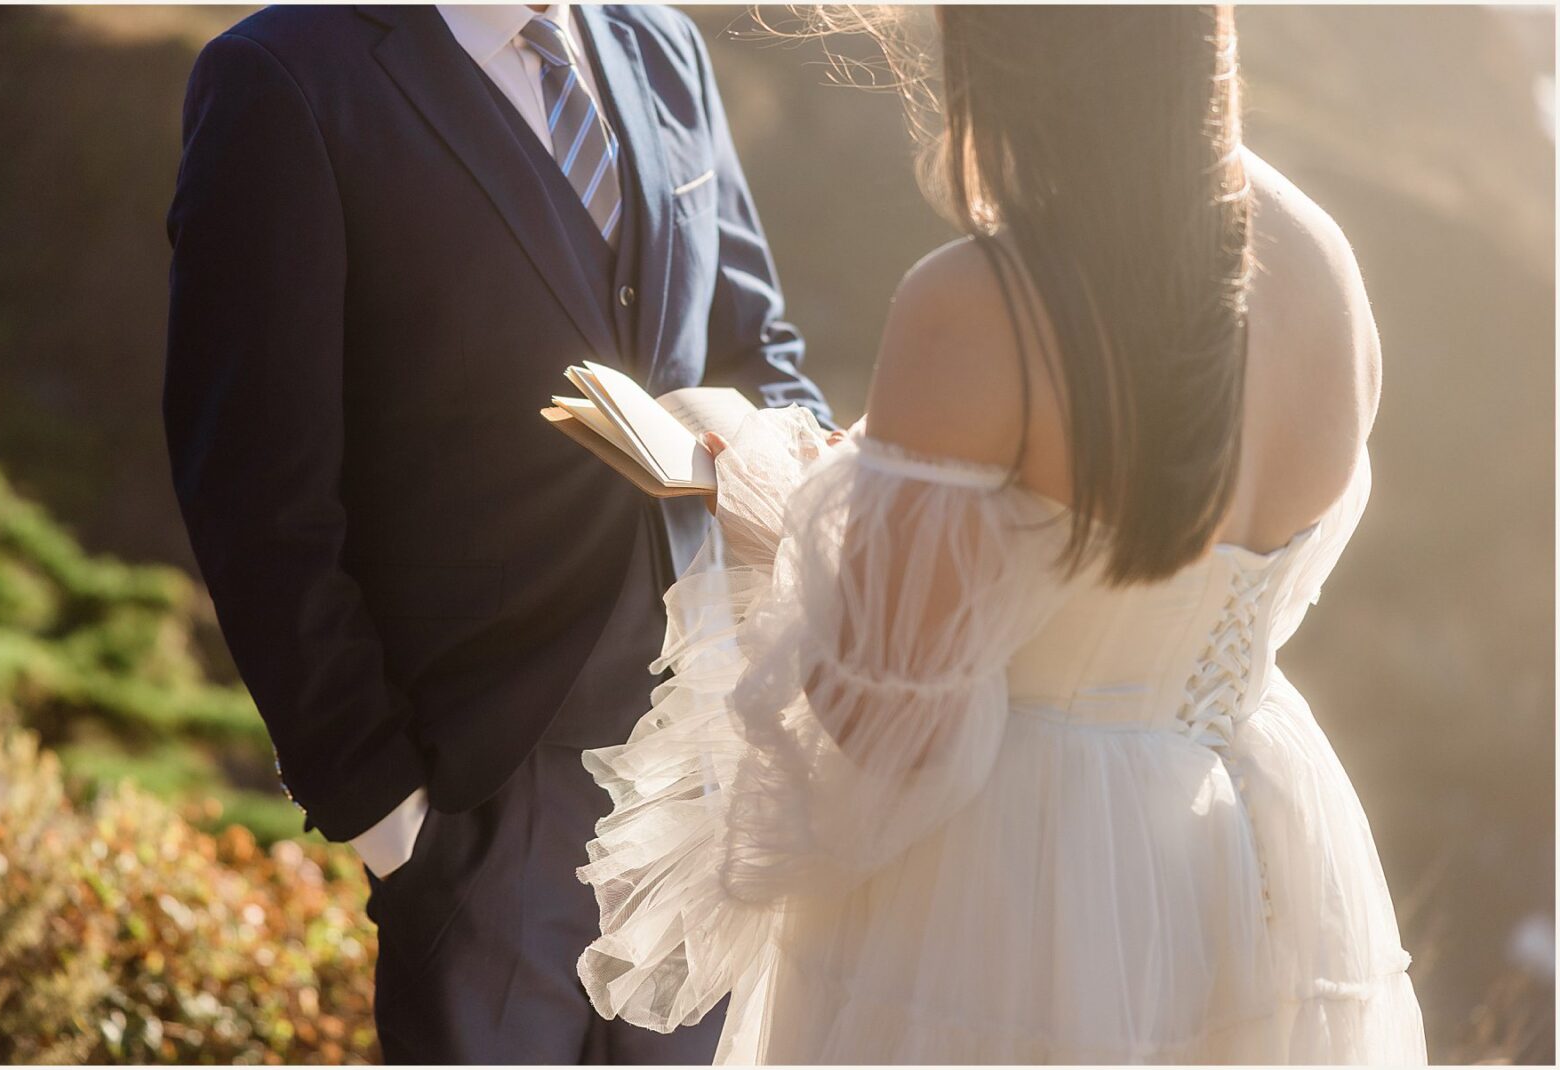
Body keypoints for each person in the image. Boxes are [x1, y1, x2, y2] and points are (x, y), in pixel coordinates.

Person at [574, 6, 1428, 1062]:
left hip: (1017, 880)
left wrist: (767, 500)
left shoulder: (984, 300)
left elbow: (883, 728)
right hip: (1246, 851)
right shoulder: (1317, 260)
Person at [162, 3, 828, 1062]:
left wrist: (771, 458)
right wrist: (389, 815)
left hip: (707, 774)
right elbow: (253, 482)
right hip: (480, 790)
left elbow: (764, 354)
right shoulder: (283, 76)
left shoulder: (661, 42)